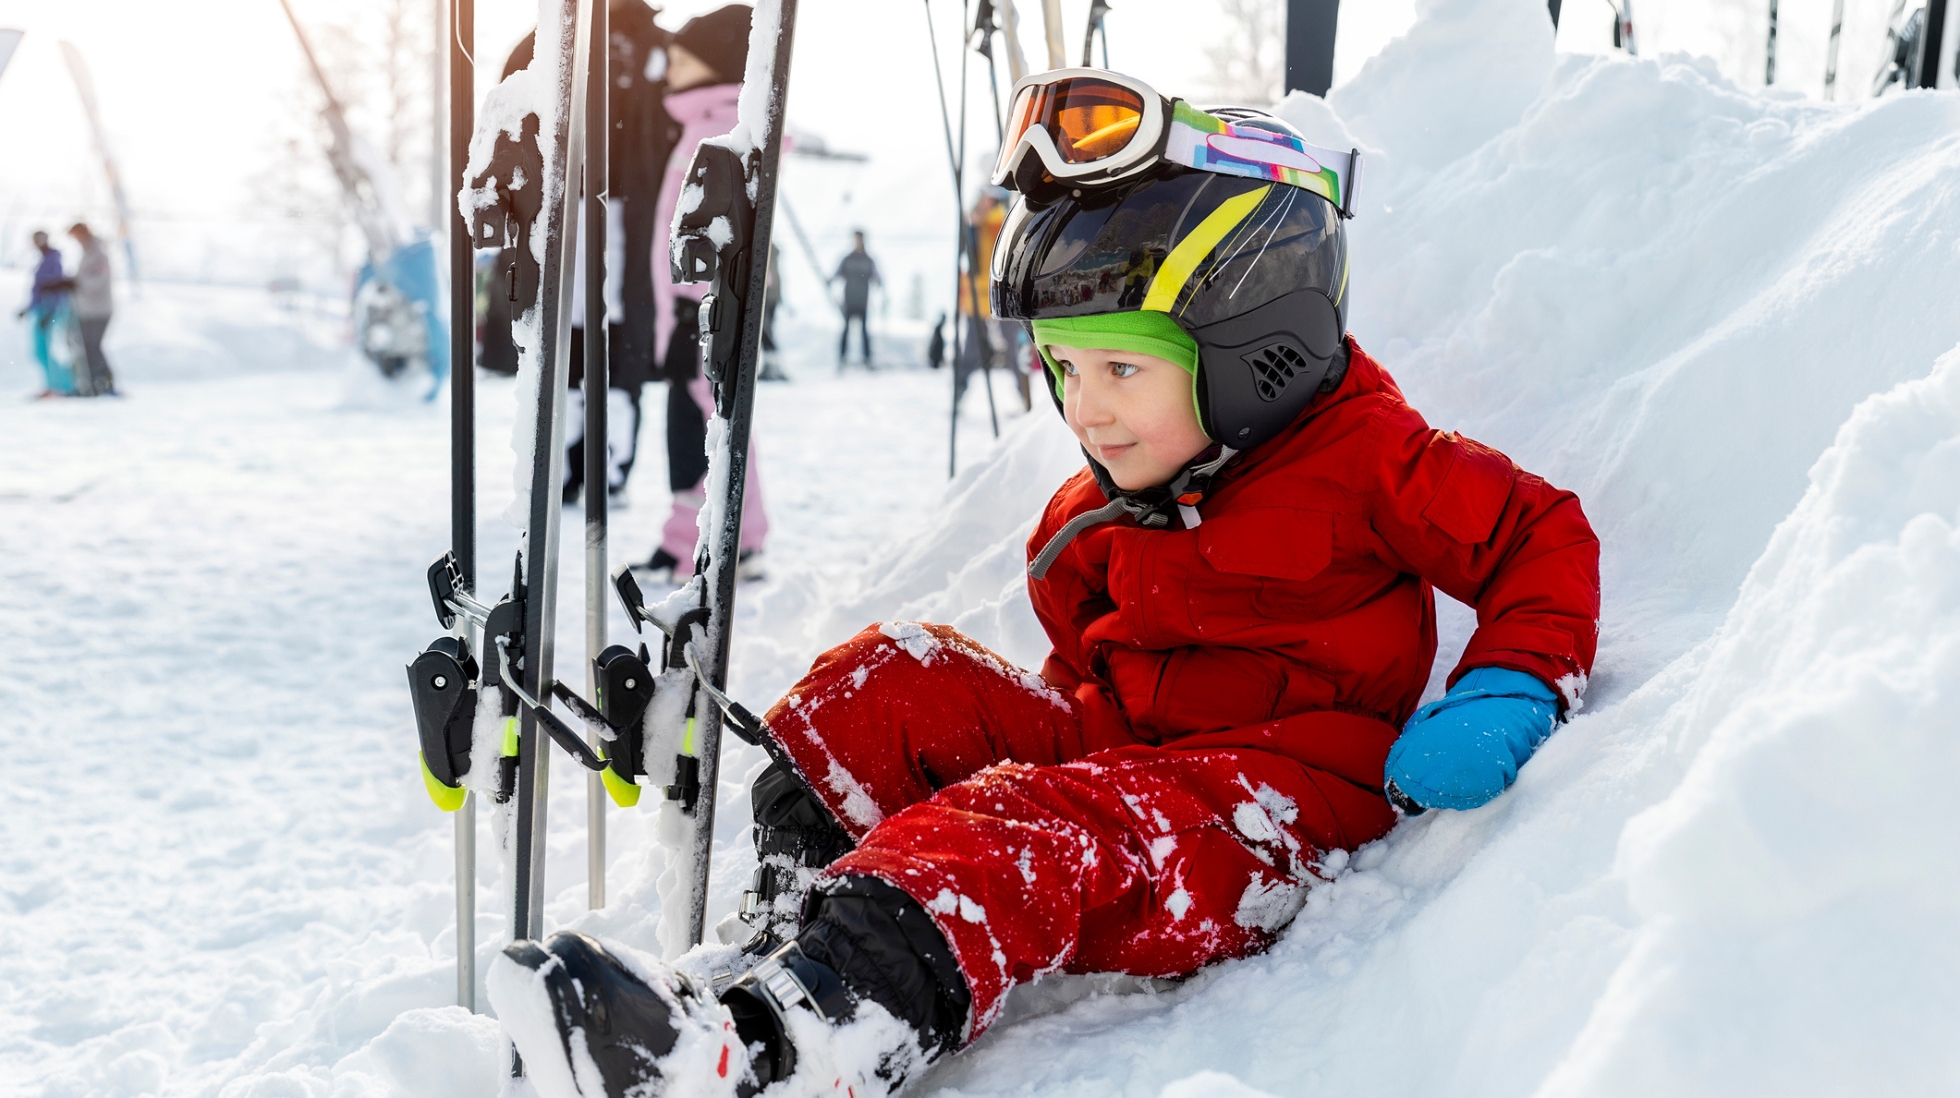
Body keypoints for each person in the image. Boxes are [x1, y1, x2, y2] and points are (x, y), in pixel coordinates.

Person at [489, 76, 1601, 1098]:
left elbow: (1537, 534)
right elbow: (1079, 653)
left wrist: (1509, 682)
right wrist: (1009, 734)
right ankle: (793, 942)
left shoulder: (1370, 458)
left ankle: (795, 1048)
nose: (1088, 408)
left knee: (1020, 830)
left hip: (1271, 804)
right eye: (1066, 368)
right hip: (1126, 758)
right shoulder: (1102, 504)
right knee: (890, 679)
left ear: (1261, 341)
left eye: (1122, 367)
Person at [634, 3, 768, 582]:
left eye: (683, 59)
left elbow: (721, 230)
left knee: (719, 421)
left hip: (706, 307)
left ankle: (742, 536)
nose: (669, 69)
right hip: (683, 307)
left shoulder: (726, 131)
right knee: (690, 425)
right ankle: (685, 536)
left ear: (715, 65)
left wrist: (694, 306)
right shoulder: (696, 123)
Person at [17, 231, 73, 398]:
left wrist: (50, 313)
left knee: (47, 349)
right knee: (39, 350)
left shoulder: (53, 259)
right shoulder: (42, 260)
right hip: (40, 309)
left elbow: (54, 288)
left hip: (49, 309)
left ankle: (61, 385)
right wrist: (27, 309)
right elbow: (38, 289)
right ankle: (52, 384)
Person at [66, 223, 117, 396]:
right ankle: (93, 384)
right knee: (87, 347)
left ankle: (106, 383)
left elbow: (98, 281)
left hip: (99, 309)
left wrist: (76, 284)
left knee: (93, 346)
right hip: (86, 309)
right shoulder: (87, 252)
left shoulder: (98, 253)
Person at [830, 230, 880, 368]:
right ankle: (842, 358)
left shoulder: (868, 261)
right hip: (849, 301)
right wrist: (830, 280)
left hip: (862, 302)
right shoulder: (847, 259)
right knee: (845, 330)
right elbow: (836, 274)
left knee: (864, 331)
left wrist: (879, 282)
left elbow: (877, 277)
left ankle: (867, 359)